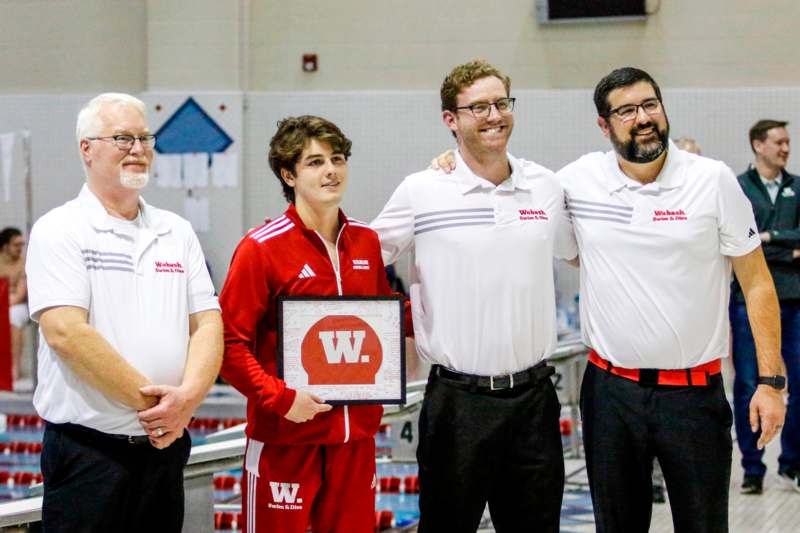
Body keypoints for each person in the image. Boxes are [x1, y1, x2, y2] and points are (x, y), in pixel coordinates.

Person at [430, 67, 786, 533]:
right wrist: (454, 163)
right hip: (610, 394)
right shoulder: (577, 182)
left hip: (695, 397)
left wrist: (771, 381)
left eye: (650, 105)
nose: (643, 118)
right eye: (626, 110)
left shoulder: (712, 180)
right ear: (604, 125)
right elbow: (516, 196)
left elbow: (757, 281)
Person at [371, 60, 576, 533]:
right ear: (451, 119)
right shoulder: (422, 190)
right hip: (458, 403)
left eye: (501, 103)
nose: (493, 115)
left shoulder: (544, 187)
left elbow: (578, 252)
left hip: (534, 400)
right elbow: (361, 257)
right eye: (478, 107)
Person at [25, 93, 223, 532]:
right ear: (87, 148)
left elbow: (208, 323)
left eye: (144, 137)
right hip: (89, 455)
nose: (138, 148)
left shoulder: (177, 231)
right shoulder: (61, 229)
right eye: (123, 138)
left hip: (163, 449)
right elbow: (66, 334)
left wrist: (187, 399)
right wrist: (161, 407)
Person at [220, 116, 401, 533]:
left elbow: (382, 324)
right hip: (287, 439)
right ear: (289, 174)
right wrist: (282, 399)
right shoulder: (260, 249)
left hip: (355, 442)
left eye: (337, 159)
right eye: (314, 162)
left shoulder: (366, 241)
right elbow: (228, 344)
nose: (331, 171)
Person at [731, 119, 800, 494]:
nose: (786, 148)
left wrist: (767, 237)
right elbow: (739, 241)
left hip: (794, 298)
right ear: (758, 145)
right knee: (746, 384)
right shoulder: (739, 188)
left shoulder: (797, 187)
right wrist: (788, 248)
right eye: (779, 142)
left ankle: (792, 463)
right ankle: (752, 468)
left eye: (788, 142)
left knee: (799, 383)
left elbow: (755, 239)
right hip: (746, 299)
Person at [0, 227, 27, 379]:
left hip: (17, 306)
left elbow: (20, 294)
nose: (20, 248)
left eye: (22, 245)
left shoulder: (24, 264)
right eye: (16, 245)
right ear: (5, 246)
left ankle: (14, 368)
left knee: (14, 316)